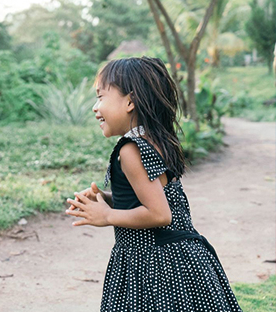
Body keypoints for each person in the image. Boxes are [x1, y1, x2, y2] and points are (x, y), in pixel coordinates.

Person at [65, 57, 242, 311]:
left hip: (153, 263)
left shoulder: (131, 150)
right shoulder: (153, 141)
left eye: (101, 97)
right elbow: (153, 197)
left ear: (130, 101)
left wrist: (107, 216)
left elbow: (159, 213)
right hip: (179, 259)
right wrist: (108, 198)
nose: (95, 107)